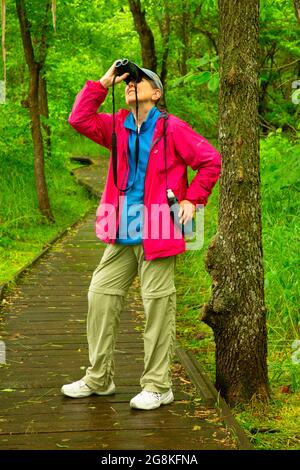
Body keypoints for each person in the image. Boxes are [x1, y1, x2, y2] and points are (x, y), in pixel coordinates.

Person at [61, 61, 221, 410]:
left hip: (160, 225)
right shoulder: (116, 126)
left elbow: (210, 161)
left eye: (141, 80)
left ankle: (158, 385)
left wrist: (194, 199)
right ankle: (99, 378)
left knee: (157, 306)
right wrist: (104, 81)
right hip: (121, 225)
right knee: (100, 296)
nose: (132, 84)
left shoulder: (172, 128)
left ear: (157, 93)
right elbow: (79, 119)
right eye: (129, 80)